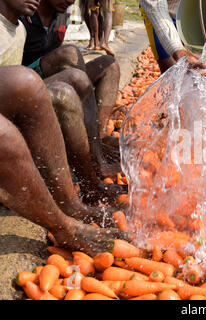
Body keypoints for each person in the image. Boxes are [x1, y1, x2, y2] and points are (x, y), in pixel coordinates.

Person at [0, 0, 128, 255]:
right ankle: (65, 223)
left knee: (66, 87)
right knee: (34, 86)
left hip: (16, 108)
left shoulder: (21, 29)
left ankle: (79, 193)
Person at [19, 0, 125, 203]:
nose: (69, 1)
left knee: (109, 65)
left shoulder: (62, 15)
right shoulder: (23, 9)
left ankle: (97, 140)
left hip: (48, 79)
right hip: (21, 85)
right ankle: (95, 161)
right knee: (71, 60)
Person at [139, 0, 206, 73]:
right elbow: (156, 9)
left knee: (202, 64)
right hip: (158, 12)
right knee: (171, 70)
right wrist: (178, 50)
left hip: (193, 9)